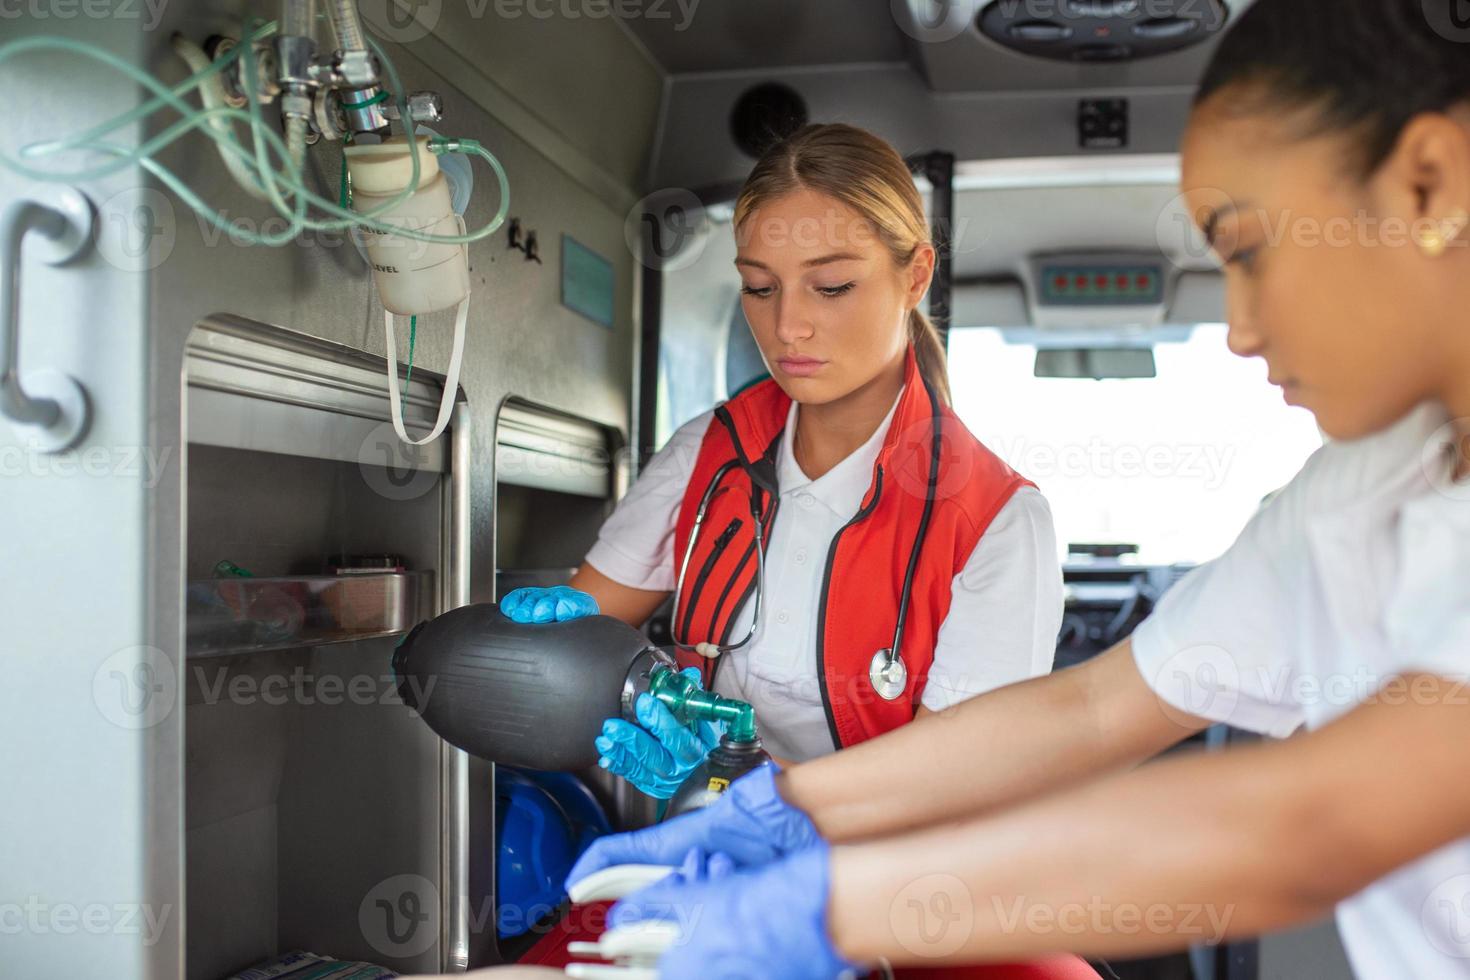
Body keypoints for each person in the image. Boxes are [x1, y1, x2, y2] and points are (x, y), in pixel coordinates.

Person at [570, 0, 1470, 976]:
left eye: (1249, 249)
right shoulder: (1361, 486)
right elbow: (1091, 710)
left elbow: (1316, 823)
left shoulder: (990, 510)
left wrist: (843, 902)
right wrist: (786, 809)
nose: (1242, 329)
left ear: (1430, 185)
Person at [501, 123, 1065, 790]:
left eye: (830, 287)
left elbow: (950, 792)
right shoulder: (708, 454)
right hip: (708, 850)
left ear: (915, 276)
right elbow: (573, 648)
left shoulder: (995, 522)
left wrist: (746, 785)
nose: (787, 326)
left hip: (895, 883)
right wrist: (555, 649)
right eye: (760, 288)